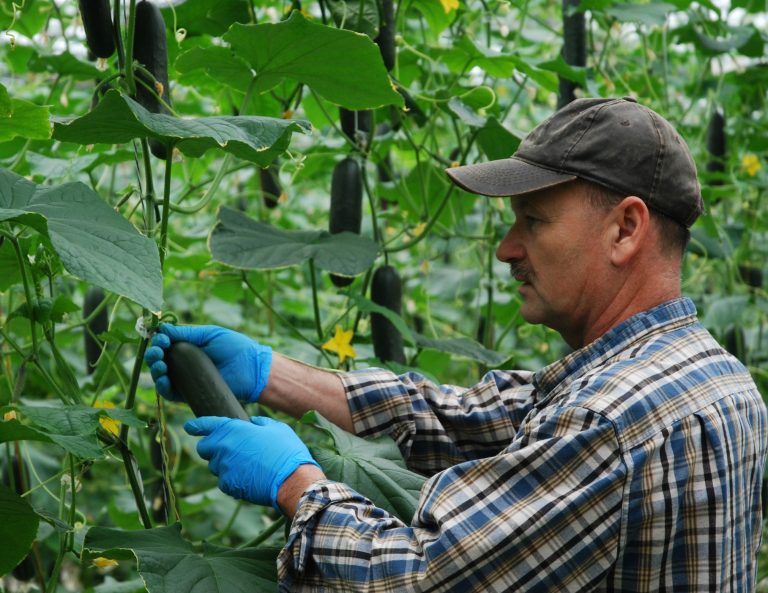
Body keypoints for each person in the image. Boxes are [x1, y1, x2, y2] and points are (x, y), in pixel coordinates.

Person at [145, 97, 767, 592]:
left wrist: (294, 483)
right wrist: (270, 375)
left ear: (626, 228)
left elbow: (421, 576)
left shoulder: (611, 420)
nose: (507, 248)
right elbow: (477, 418)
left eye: (534, 220)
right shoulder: (712, 376)